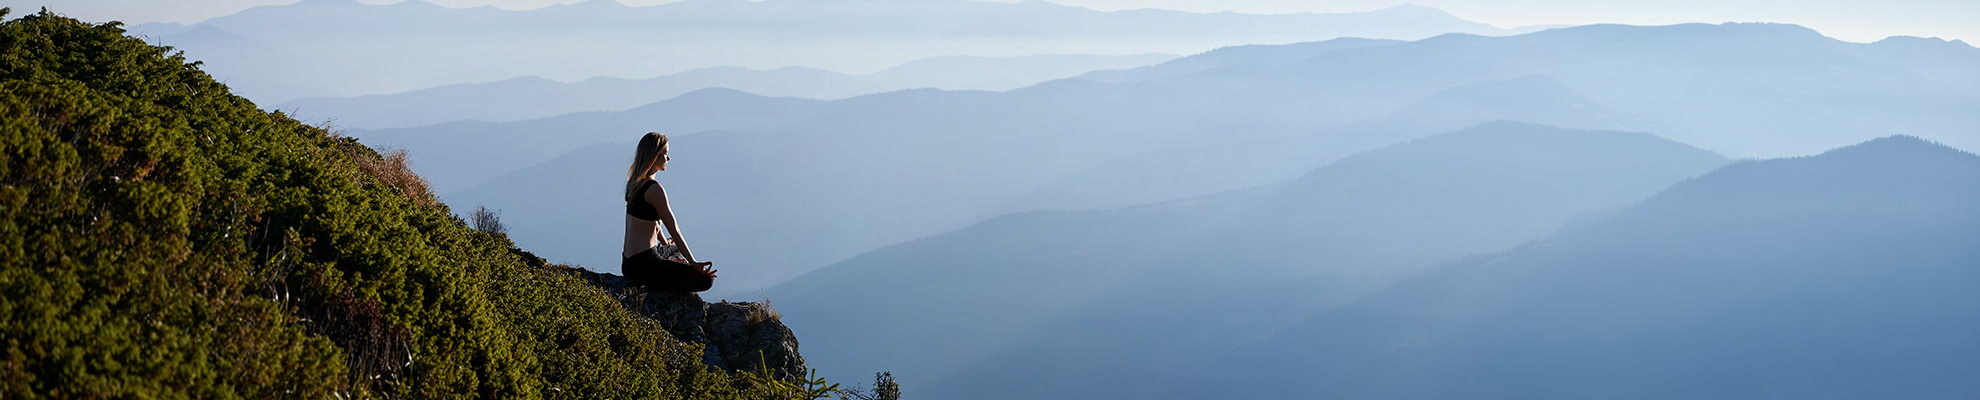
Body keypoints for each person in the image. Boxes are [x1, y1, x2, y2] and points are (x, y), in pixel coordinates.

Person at [621, 132, 717, 292]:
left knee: (672, 248)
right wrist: (694, 263)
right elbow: (675, 230)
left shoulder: (634, 183)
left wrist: (664, 242)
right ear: (654, 157)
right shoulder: (655, 190)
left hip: (628, 263)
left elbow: (651, 221)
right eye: (665, 153)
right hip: (645, 266)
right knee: (706, 280)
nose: (668, 158)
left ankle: (670, 264)